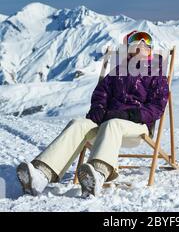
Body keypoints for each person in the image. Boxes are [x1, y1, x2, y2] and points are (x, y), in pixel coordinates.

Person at [16, 30, 170, 197]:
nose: (141, 45)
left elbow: (157, 107)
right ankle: (41, 174)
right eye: (136, 42)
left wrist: (130, 115)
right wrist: (98, 108)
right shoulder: (117, 72)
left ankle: (98, 174)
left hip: (135, 127)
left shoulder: (156, 75)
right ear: (128, 49)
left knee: (114, 124)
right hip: (106, 123)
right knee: (78, 124)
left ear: (151, 49)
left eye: (146, 41)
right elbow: (101, 93)